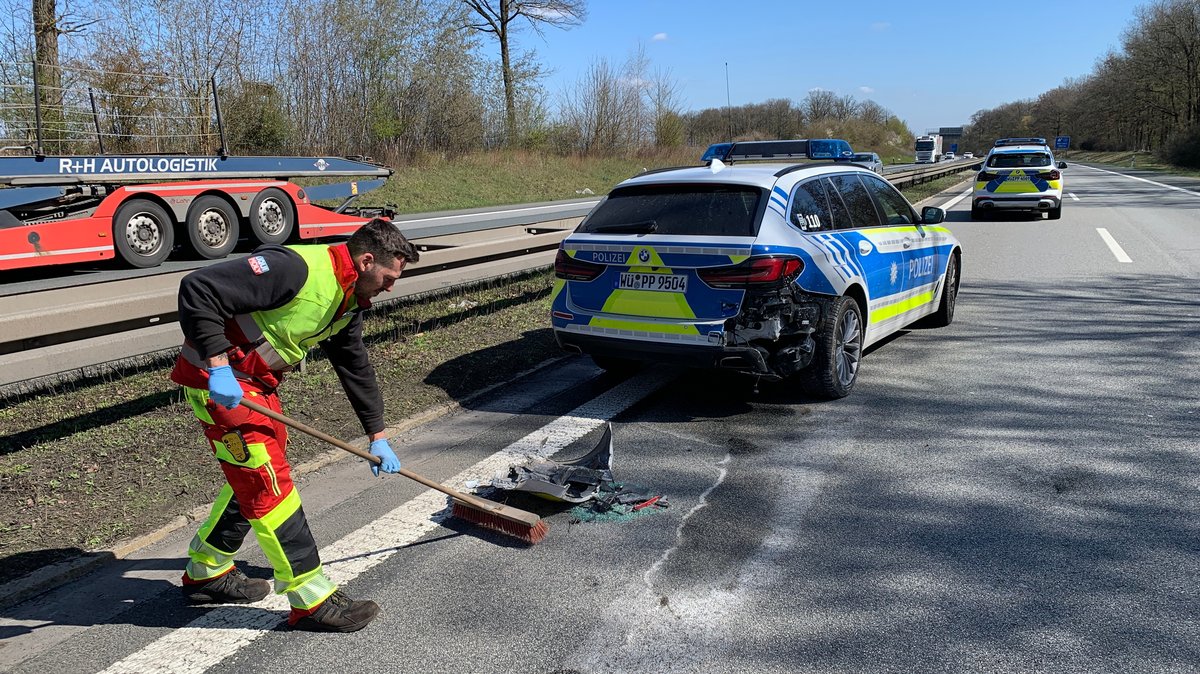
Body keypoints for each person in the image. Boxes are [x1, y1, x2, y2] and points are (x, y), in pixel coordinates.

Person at [169, 217, 420, 633]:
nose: (390, 286)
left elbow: (354, 365)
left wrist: (378, 436)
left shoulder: (346, 299)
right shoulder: (296, 269)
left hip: (256, 385)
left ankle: (206, 571)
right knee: (268, 484)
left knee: (254, 476)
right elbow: (199, 287)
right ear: (366, 260)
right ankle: (311, 598)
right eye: (388, 277)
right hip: (220, 386)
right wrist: (217, 367)